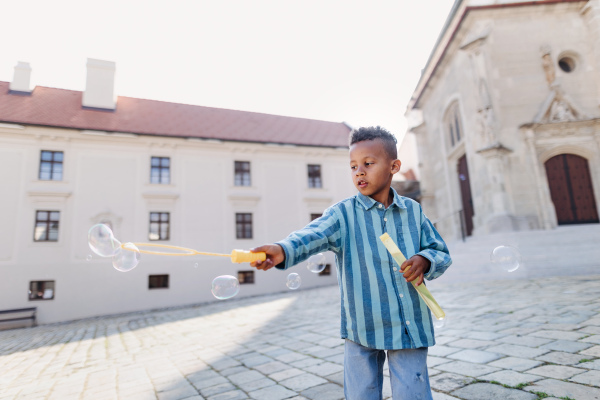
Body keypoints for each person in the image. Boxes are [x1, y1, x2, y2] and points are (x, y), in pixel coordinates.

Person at [250, 126, 452, 400]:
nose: (359, 172)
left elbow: (439, 250)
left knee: (412, 392)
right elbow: (312, 235)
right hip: (362, 324)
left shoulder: (413, 211)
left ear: (394, 166)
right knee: (361, 393)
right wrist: (282, 249)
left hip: (409, 323)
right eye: (354, 166)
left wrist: (424, 260)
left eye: (368, 164)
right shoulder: (342, 214)